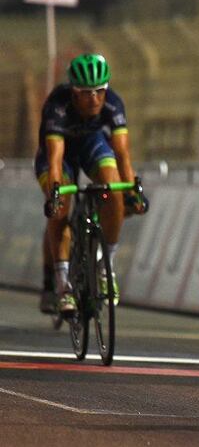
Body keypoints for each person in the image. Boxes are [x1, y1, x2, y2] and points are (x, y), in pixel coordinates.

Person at [37, 54, 145, 314]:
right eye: (86, 93)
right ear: (74, 93)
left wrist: (132, 192)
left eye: (99, 91)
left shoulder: (114, 105)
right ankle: (62, 285)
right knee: (61, 209)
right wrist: (56, 194)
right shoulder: (57, 106)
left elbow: (122, 155)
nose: (94, 99)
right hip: (60, 154)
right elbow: (55, 160)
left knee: (113, 187)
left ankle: (105, 266)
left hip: (91, 145)